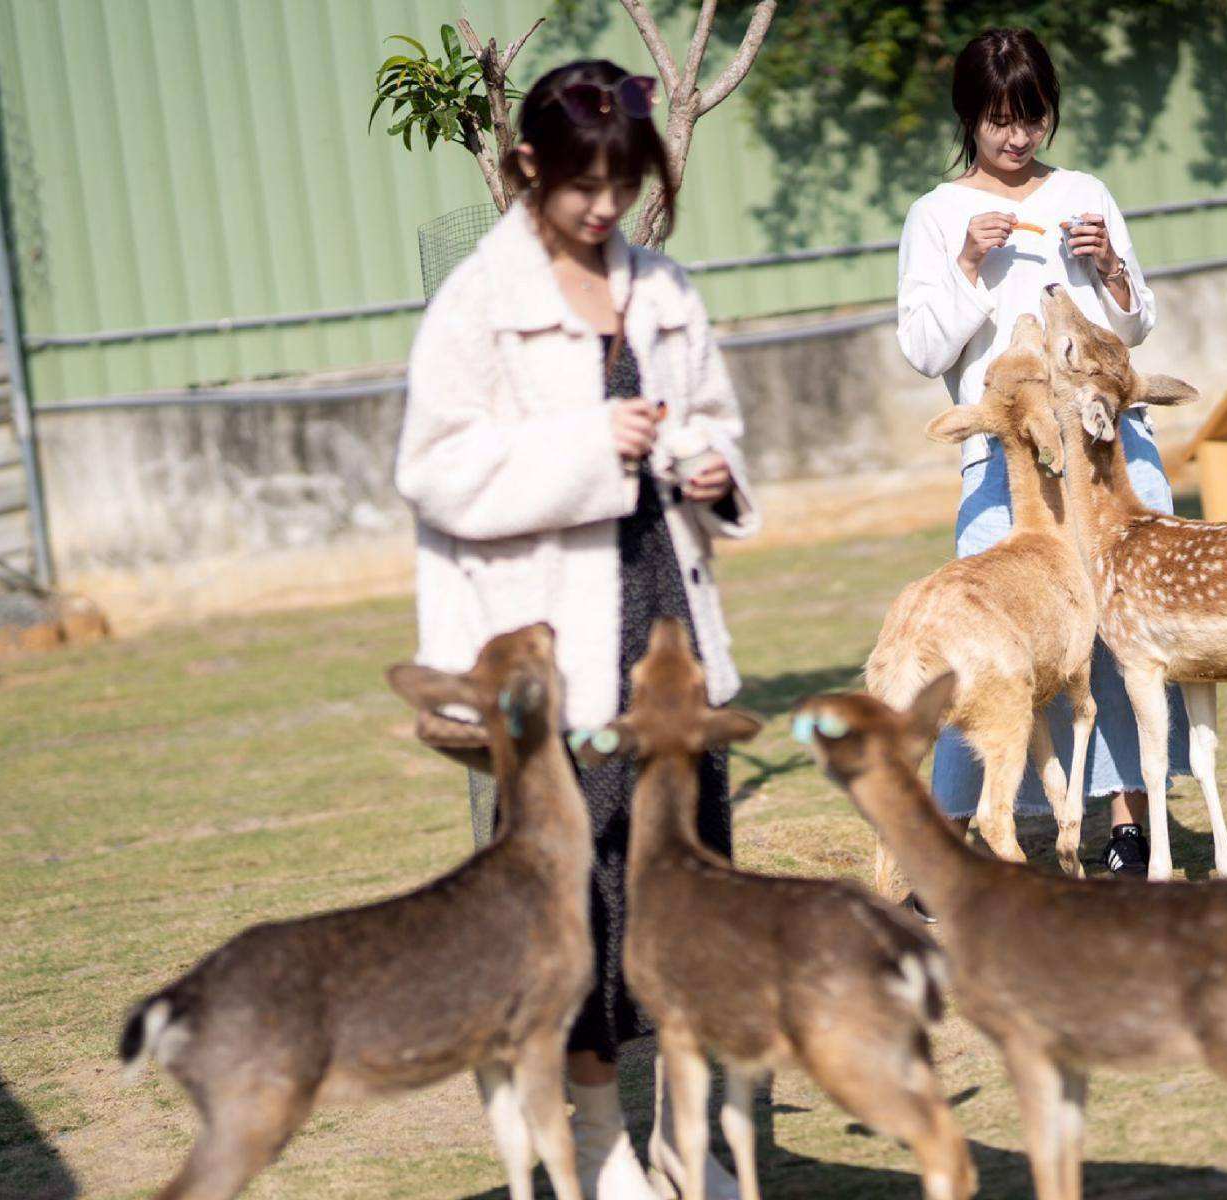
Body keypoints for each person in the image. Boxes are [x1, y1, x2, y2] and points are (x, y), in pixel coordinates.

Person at [396, 59, 758, 1200]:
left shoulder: (666, 287)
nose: (604, 205)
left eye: (622, 181)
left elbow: (717, 421)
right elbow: (437, 473)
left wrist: (712, 470)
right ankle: (599, 1146)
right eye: (582, 184)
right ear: (529, 169)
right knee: (580, 905)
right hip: (551, 645)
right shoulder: (475, 304)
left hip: (669, 624)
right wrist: (587, 447)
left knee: (683, 887)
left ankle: (688, 1146)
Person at [894, 27, 1189, 896]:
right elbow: (921, 349)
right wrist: (967, 264)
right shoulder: (937, 215)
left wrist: (1114, 272)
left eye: (1031, 117)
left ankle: (1131, 827)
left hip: (1107, 455)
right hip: (1006, 466)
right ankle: (948, 843)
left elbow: (1134, 331)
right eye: (998, 121)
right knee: (981, 650)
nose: (1018, 138)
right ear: (969, 119)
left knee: (1122, 638)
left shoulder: (1085, 192)